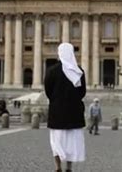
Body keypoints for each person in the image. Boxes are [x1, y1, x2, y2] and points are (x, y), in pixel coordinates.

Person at [45, 43, 86, 172]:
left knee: (56, 142)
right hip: (74, 112)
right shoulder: (78, 71)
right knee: (71, 143)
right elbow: (83, 92)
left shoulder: (52, 70)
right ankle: (69, 167)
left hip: (57, 112)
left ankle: (58, 167)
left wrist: (56, 100)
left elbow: (48, 90)